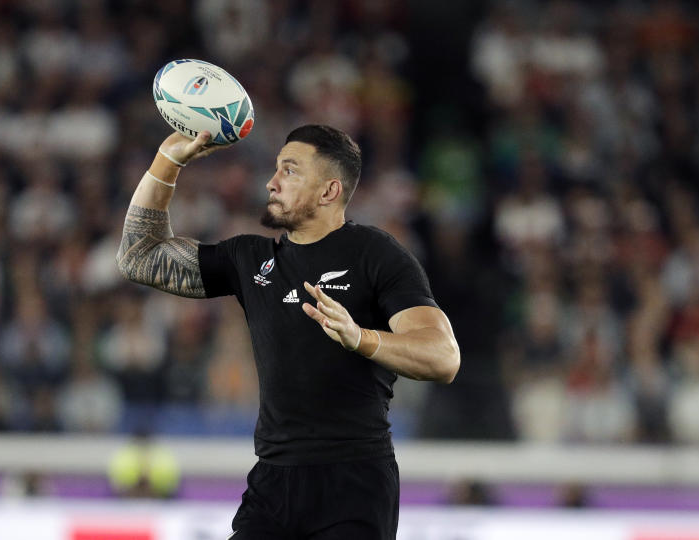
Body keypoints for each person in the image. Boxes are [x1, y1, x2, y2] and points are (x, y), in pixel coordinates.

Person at [117, 124, 460, 539]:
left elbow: (443, 357)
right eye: (277, 169)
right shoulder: (251, 259)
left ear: (329, 191)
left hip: (353, 484)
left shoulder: (378, 255)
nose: (271, 182)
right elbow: (139, 258)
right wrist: (167, 160)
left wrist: (362, 337)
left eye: (290, 171)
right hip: (272, 485)